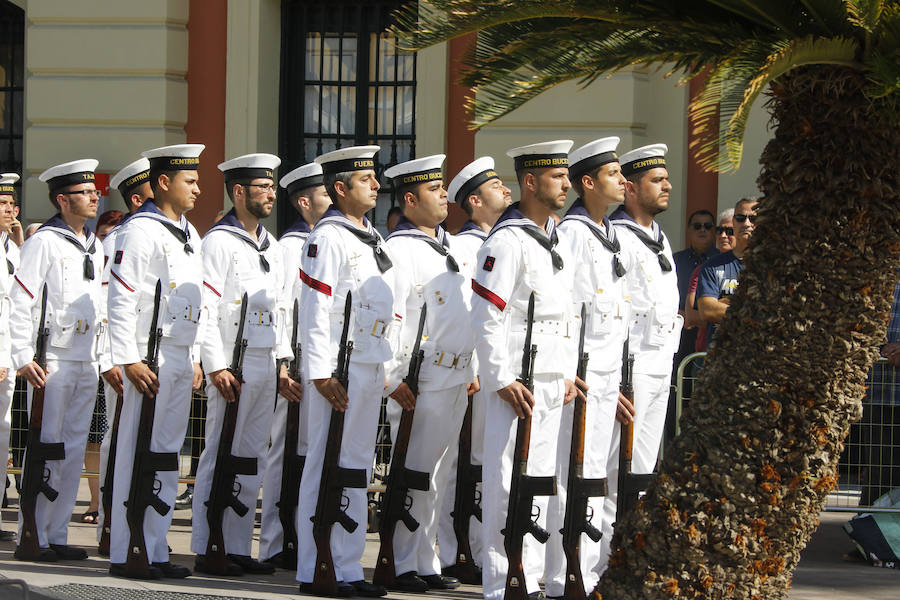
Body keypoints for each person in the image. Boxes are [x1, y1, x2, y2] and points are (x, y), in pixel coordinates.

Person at [471, 140, 581, 600]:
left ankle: (531, 577)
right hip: (518, 383)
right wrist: (500, 378)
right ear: (531, 182)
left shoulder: (554, 237)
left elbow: (567, 314)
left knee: (541, 480)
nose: (567, 184)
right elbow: (486, 314)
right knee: (505, 479)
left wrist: (569, 371)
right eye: (558, 177)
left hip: (554, 380)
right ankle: (503, 582)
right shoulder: (507, 240)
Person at [295, 145, 394, 598]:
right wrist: (317, 371)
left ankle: (348, 566)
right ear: (339, 188)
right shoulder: (327, 237)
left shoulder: (370, 237)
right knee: (327, 463)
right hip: (338, 370)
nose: (376, 184)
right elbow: (315, 309)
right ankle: (319, 565)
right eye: (365, 179)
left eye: (375, 178)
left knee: (354, 468)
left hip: (369, 364)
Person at [106, 143, 205, 579]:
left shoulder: (188, 233)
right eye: (190, 181)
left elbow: (195, 300)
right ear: (163, 182)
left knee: (167, 455)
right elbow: (122, 298)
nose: (198, 189)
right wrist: (127, 358)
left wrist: (198, 355)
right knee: (139, 450)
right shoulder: (139, 231)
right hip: (150, 358)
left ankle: (156, 544)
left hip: (180, 356)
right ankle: (130, 549)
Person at [191, 153, 293, 576]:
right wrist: (215, 365)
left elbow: (282, 307)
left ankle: (236, 544)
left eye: (272, 187)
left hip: (266, 361)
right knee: (220, 451)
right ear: (238, 192)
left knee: (251, 454)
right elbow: (207, 307)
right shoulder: (219, 241)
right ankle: (208, 542)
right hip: (233, 362)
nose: (270, 194)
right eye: (262, 187)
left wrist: (284, 361)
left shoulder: (272, 245)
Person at [379, 154, 473, 592]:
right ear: (411, 199)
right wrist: (393, 378)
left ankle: (426, 559)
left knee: (437, 475)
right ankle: (399, 561)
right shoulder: (398, 249)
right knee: (413, 472)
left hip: (455, 377)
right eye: (435, 191)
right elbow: (393, 318)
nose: (444, 197)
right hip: (421, 380)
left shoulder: (448, 244)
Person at [545, 137, 631, 597]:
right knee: (570, 471)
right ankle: (563, 575)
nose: (623, 180)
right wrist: (564, 370)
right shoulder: (575, 234)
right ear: (587, 182)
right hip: (578, 374)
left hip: (603, 373)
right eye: (614, 173)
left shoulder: (608, 232)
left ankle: (591, 570)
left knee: (594, 471)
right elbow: (563, 311)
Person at [10, 159, 107, 562]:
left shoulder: (95, 244)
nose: (94, 196)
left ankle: (57, 531)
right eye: (85, 193)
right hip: (51, 358)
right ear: (63, 200)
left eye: (93, 191)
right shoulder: (44, 242)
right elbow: (21, 300)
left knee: (70, 449)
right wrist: (20, 354)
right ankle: (31, 532)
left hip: (86, 357)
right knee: (46, 446)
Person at [600, 144, 682, 571]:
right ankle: (599, 561)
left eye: (666, 178)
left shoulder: (658, 238)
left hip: (658, 365)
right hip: (627, 372)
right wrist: (612, 381)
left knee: (642, 472)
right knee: (614, 469)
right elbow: (611, 315)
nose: (667, 185)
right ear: (630, 188)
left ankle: (630, 553)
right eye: (656, 180)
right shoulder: (618, 238)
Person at [435, 156, 512, 578]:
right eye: (496, 185)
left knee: (487, 462)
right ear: (476, 201)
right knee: (464, 461)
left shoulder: (508, 238)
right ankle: (457, 548)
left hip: (495, 369)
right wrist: (473, 368)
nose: (506, 189)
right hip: (473, 370)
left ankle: (482, 547)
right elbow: (465, 313)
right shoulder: (462, 246)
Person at [258, 161, 331, 568]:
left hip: (317, 361)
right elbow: (284, 307)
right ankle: (275, 539)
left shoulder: (332, 238)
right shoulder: (290, 246)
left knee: (308, 452)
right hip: (297, 362)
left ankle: (302, 535)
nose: (331, 198)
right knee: (284, 451)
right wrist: (284, 363)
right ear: (304, 201)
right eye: (324, 193)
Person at [81, 209, 124, 527]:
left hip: (113, 361)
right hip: (93, 358)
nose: (110, 242)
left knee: (112, 431)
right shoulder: (92, 261)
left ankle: (107, 505)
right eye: (106, 234)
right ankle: (96, 500)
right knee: (94, 437)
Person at [696, 197, 758, 345]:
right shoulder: (712, 266)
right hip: (721, 356)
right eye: (740, 218)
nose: (746, 223)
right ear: (734, 223)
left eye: (753, 218)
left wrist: (724, 302)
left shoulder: (772, 265)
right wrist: (753, 309)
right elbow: (707, 311)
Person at [0, 173, 20, 541]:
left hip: (7, 357)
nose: (10, 210)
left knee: (2, 436)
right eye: (2, 203)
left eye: (11, 204)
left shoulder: (12, 249)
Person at [685, 209, 734, 352]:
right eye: (720, 230)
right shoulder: (706, 268)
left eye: (729, 231)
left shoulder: (756, 267)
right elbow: (693, 316)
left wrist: (717, 306)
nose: (723, 236)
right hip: (707, 353)